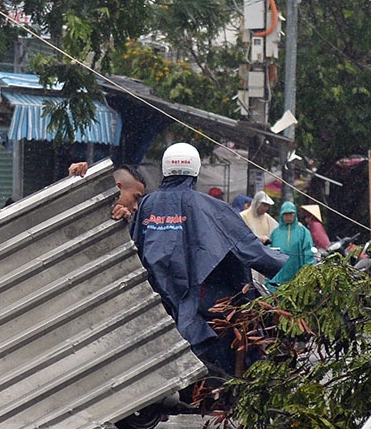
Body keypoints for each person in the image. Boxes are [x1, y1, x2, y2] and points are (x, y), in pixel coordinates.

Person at [132, 142, 285, 374]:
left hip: (155, 302)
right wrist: (275, 259)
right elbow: (246, 246)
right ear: (195, 170)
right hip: (200, 302)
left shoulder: (146, 205)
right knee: (248, 320)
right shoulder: (210, 206)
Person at [268, 200, 317, 285]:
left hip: (297, 275)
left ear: (295, 214)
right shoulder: (275, 233)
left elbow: (309, 253)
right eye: (285, 214)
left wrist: (308, 273)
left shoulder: (303, 232)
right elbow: (269, 252)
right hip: (278, 276)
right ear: (281, 215)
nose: (288, 217)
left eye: (291, 214)